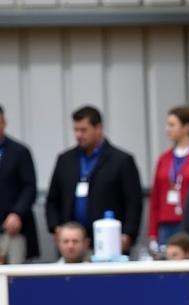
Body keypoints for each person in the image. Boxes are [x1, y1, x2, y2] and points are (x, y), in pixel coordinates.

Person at [45, 106, 143, 254]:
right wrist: (55, 227)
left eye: (83, 130)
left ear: (98, 128)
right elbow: (52, 198)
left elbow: (133, 201)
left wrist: (128, 234)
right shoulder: (65, 160)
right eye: (75, 130)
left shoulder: (121, 160)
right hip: (72, 243)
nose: (78, 135)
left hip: (108, 240)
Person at [148, 106, 189, 246]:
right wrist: (153, 232)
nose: (167, 129)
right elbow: (156, 198)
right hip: (166, 224)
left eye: (172, 125)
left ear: (186, 127)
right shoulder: (164, 158)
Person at [0, 105, 39, 264]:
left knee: (14, 274)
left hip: (13, 228)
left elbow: (29, 187)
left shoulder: (19, 152)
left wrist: (17, 212)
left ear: (4, 123)